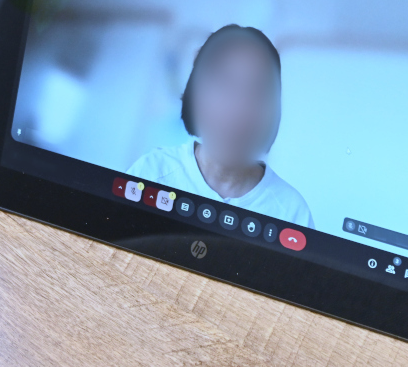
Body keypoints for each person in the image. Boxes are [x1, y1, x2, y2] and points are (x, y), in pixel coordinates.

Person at [127, 24, 314, 228]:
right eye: (224, 85)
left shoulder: (291, 212)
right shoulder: (152, 172)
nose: (239, 109)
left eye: (258, 91)